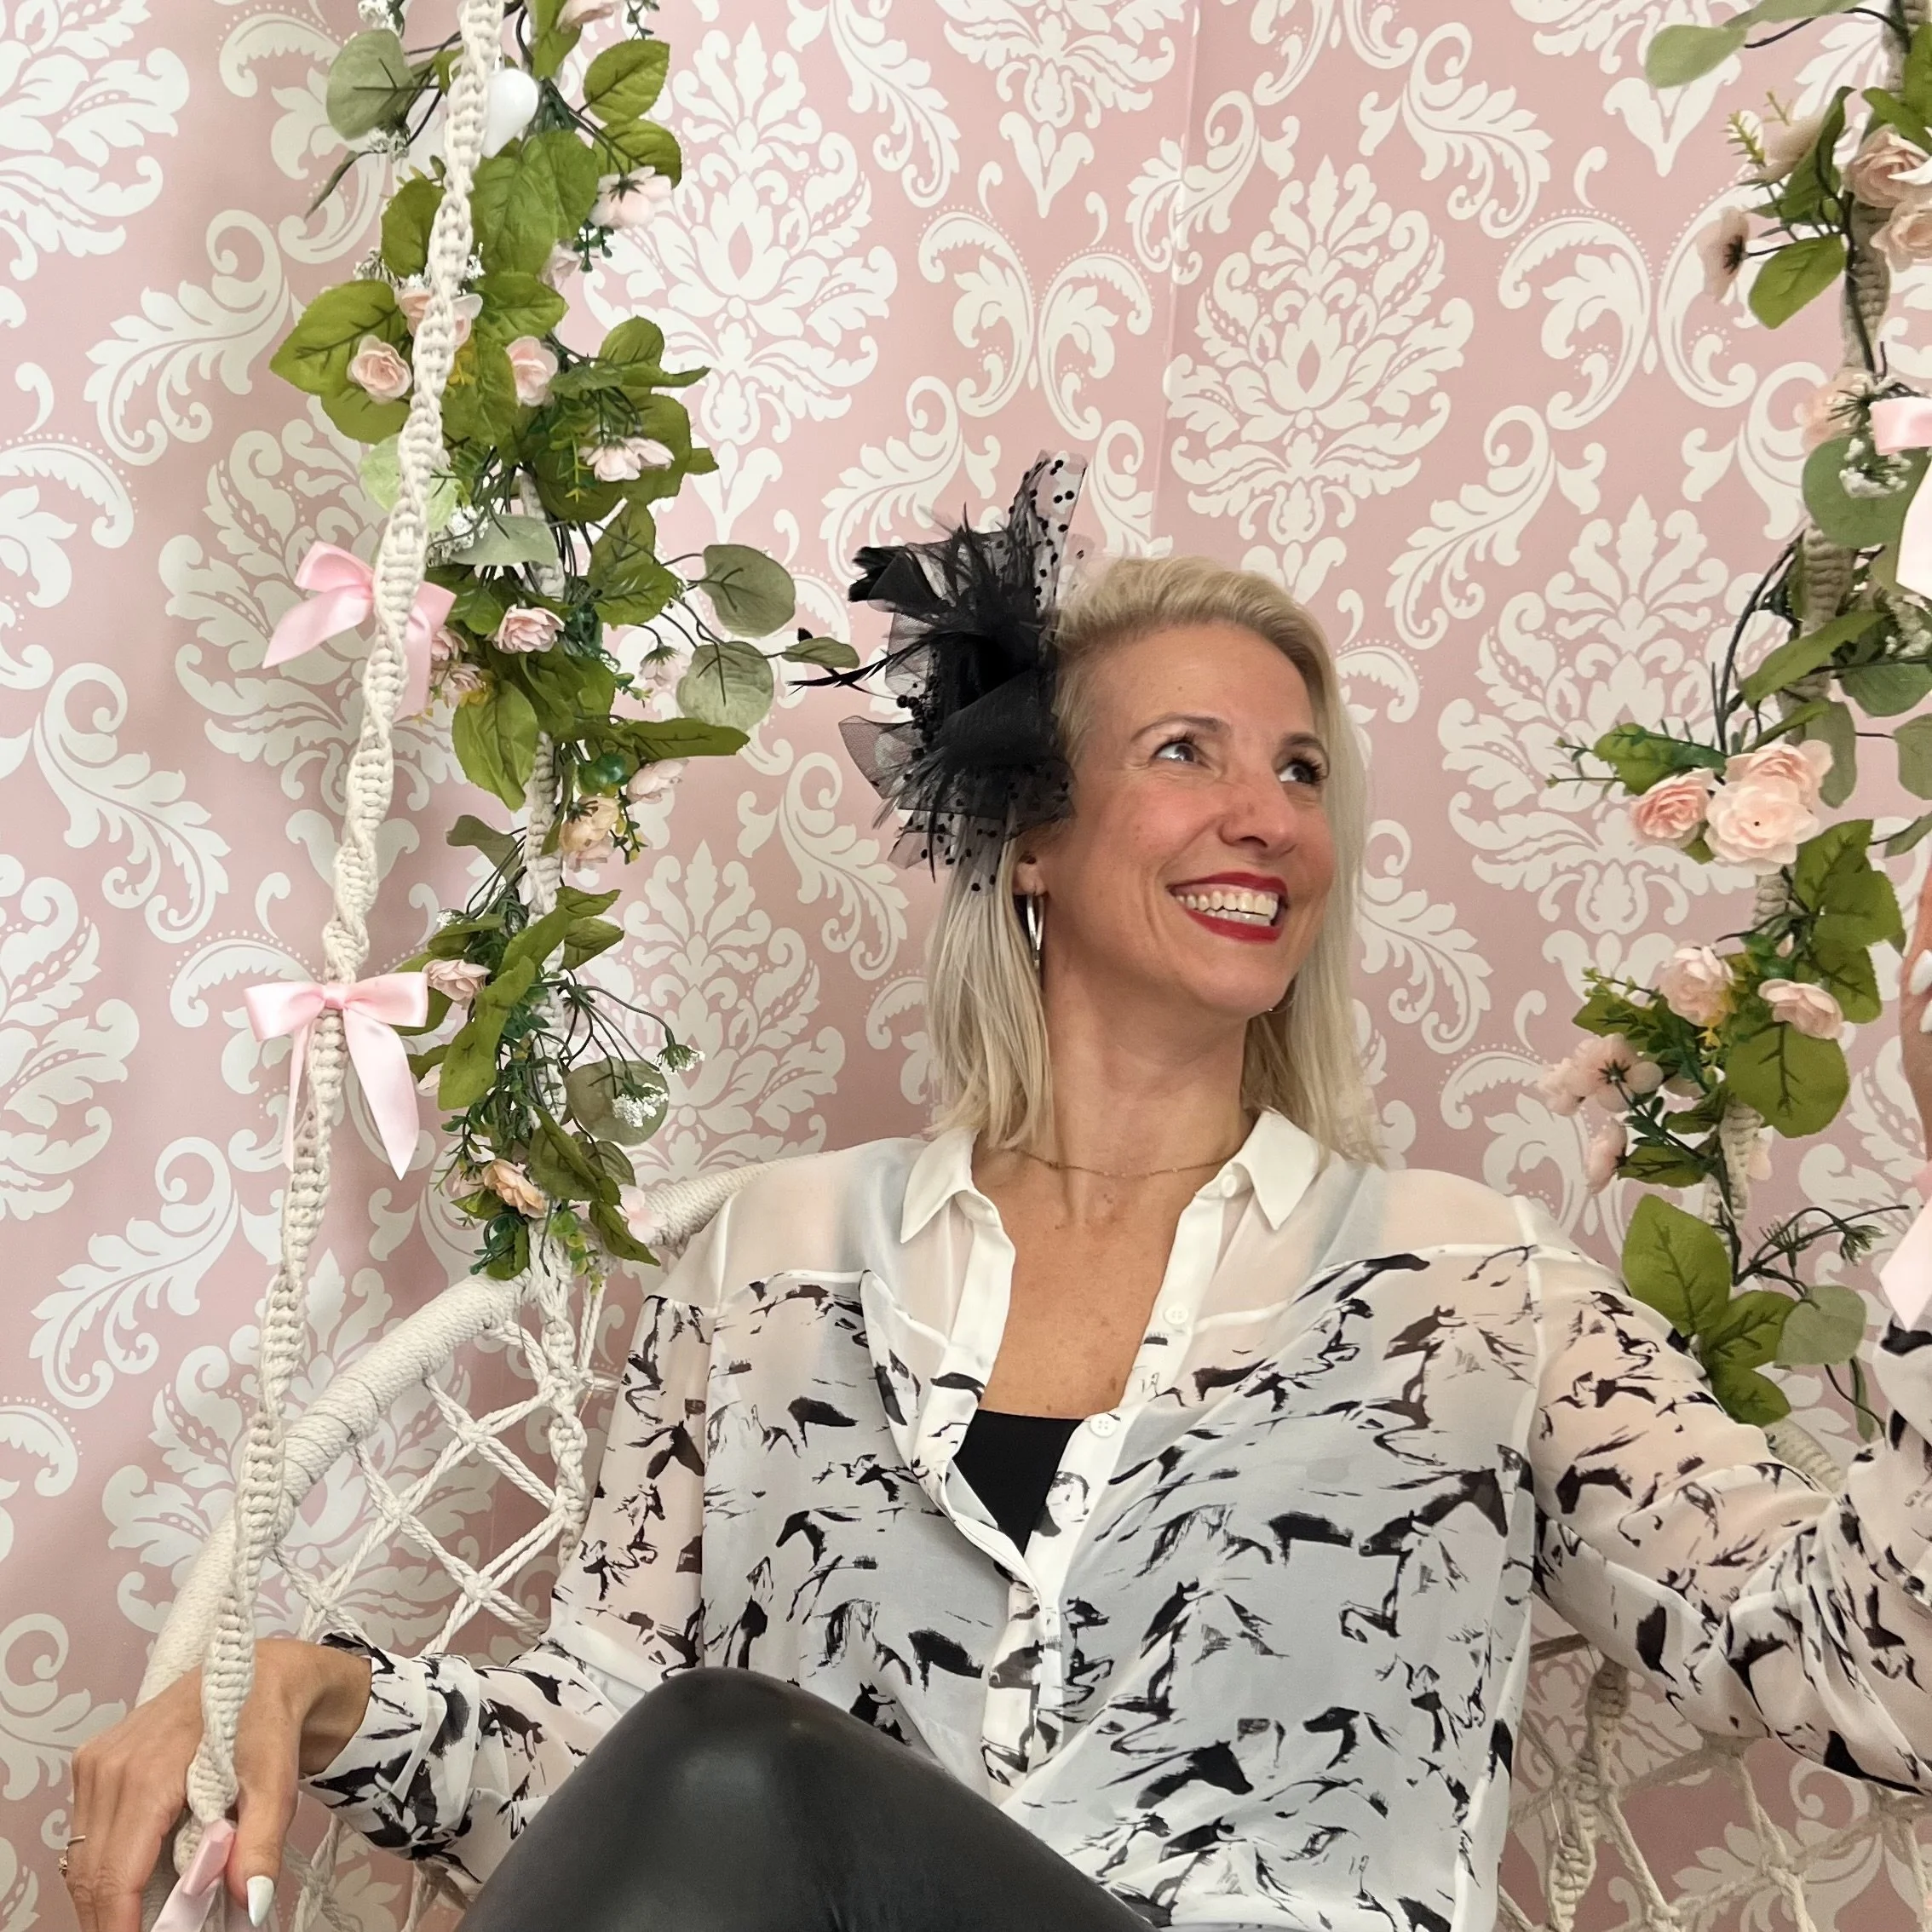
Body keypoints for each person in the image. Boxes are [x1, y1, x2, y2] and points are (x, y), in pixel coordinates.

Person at [65, 453, 1932, 1932]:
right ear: (1031, 834)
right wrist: (313, 1687)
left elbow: (1864, 1671)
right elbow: (597, 1748)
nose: (1269, 816)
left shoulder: (1482, 1297)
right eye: (1186, 753)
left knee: (728, 1761)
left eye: (1301, 770)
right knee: (706, 1758)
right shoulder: (766, 1264)